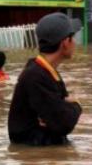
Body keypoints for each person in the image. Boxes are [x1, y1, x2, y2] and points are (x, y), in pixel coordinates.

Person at [7, 12, 82, 146]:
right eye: (73, 38)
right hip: (34, 152)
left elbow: (58, 117)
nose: (75, 43)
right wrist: (76, 105)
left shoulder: (47, 72)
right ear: (65, 42)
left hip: (45, 147)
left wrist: (62, 109)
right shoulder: (35, 75)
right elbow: (63, 123)